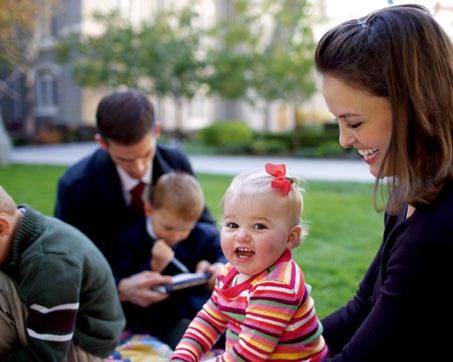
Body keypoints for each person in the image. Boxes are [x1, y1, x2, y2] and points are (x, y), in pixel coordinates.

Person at [314, 4, 453, 361]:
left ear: (412, 106)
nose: (344, 140)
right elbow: (362, 308)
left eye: (353, 123)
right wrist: (273, 345)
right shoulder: (419, 189)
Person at [54, 89, 217, 310]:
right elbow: (66, 262)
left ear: (156, 132)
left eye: (146, 154)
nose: (139, 169)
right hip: (111, 304)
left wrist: (217, 264)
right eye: (125, 159)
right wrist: (119, 288)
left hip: (182, 294)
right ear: (102, 143)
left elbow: (203, 223)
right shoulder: (76, 186)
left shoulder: (174, 162)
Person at [171, 163, 328, 361]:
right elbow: (209, 319)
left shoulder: (278, 286)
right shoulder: (230, 273)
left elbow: (248, 355)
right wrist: (183, 356)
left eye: (259, 226)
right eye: (233, 225)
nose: (242, 236)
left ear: (290, 237)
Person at [0, 185, 125, 361]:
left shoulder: (50, 261)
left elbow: (47, 355)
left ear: (1, 226)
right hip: (53, 332)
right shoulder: (19, 230)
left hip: (79, 346)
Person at [117, 172, 226, 348]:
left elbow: (222, 249)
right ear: (149, 210)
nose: (175, 236)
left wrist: (219, 265)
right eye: (168, 228)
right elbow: (125, 274)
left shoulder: (200, 234)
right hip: (156, 314)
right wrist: (154, 266)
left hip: (197, 306)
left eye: (184, 229)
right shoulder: (132, 238)